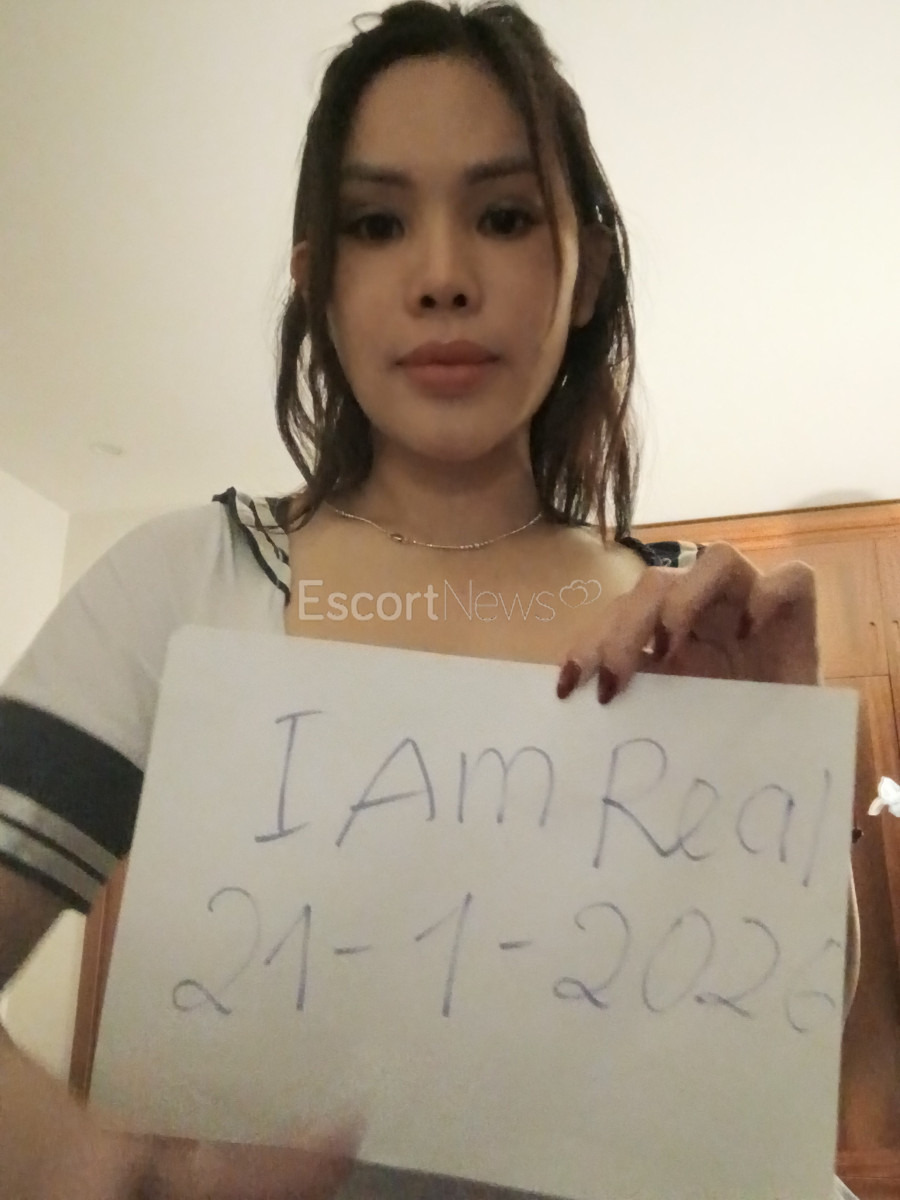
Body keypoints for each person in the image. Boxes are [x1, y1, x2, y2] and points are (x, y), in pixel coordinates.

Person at [0, 2, 859, 1197]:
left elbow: (785, 1068)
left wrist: (775, 763)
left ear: (585, 268)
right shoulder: (184, 584)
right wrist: (97, 1170)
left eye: (504, 216)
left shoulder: (689, 623)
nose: (444, 277)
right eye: (378, 223)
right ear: (318, 281)